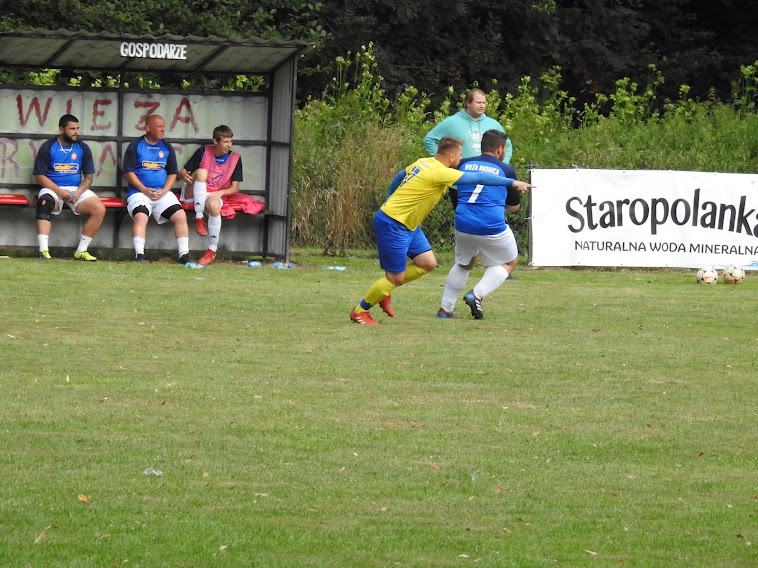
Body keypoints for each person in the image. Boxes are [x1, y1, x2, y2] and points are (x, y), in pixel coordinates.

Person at [350, 136, 533, 325]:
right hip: (393, 223)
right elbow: (478, 177)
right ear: (452, 156)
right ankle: (360, 311)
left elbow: (399, 175)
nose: (461, 159)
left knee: (427, 263)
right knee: (395, 277)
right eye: (460, 155)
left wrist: (390, 196)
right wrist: (511, 183)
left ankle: (385, 290)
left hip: (409, 224)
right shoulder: (440, 172)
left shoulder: (424, 162)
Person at [438, 130, 526, 320]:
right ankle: (476, 294)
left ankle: (445, 310)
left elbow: (454, 191)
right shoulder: (506, 170)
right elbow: (514, 207)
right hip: (491, 226)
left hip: (463, 222)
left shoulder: (463, 163)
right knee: (509, 262)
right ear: (500, 149)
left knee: (464, 263)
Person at [32, 114, 105, 261]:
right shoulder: (48, 147)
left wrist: (78, 192)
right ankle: (43, 251)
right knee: (45, 202)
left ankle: (81, 251)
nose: (76, 132)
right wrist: (59, 192)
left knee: (99, 209)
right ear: (61, 130)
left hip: (75, 189)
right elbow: (39, 176)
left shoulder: (82, 148)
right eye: (72, 129)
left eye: (77, 128)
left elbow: (89, 177)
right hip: (53, 188)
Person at [122, 114, 192, 264]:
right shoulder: (136, 145)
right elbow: (128, 173)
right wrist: (144, 189)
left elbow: (173, 173)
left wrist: (165, 190)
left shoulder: (166, 147)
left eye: (163, 126)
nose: (163, 130)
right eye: (159, 126)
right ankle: (139, 255)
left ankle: (184, 255)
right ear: (148, 128)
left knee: (180, 215)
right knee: (141, 216)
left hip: (162, 192)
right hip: (139, 192)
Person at [178, 125, 246, 266]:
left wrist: (219, 193)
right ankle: (199, 218)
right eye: (225, 142)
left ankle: (212, 249)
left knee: (214, 205)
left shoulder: (235, 159)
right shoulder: (203, 151)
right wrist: (184, 175)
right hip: (193, 192)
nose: (229, 145)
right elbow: (182, 173)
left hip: (214, 193)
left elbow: (235, 188)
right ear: (215, 141)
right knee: (202, 172)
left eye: (230, 141)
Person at [423, 88, 512, 164]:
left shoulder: (493, 124)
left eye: (484, 103)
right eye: (478, 102)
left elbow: (507, 144)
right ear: (468, 103)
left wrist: (502, 165)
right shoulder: (452, 122)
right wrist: (444, 161)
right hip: (460, 176)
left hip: (487, 176)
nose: (482, 106)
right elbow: (429, 139)